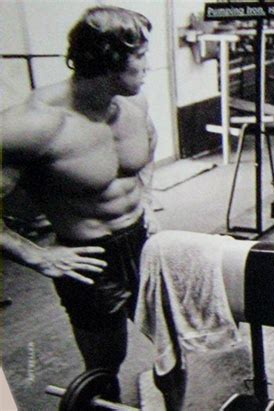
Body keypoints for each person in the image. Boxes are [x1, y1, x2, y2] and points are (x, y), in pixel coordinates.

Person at [1, 6, 161, 399]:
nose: (148, 65)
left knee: (174, 347)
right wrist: (38, 256)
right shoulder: (33, 125)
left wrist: (149, 201)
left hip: (143, 241)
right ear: (109, 60)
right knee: (105, 369)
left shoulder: (135, 105)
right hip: (90, 258)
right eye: (140, 56)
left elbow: (147, 155)